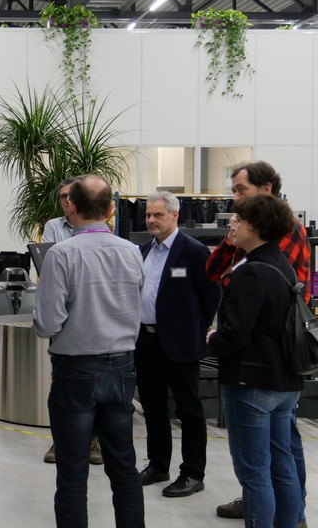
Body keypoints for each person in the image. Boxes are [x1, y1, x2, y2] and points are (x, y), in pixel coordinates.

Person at [34, 174, 145, 528]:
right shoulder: (132, 252)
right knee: (124, 466)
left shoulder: (61, 254)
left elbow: (47, 323)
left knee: (72, 470)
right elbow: (139, 306)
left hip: (76, 371)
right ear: (111, 209)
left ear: (72, 207)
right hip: (123, 368)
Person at [206, 161, 309, 526]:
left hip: (251, 381)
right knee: (281, 464)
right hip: (283, 380)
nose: (233, 224)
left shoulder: (250, 272)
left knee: (255, 472)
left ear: (256, 225)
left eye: (239, 219)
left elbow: (235, 333)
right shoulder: (281, 265)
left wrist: (214, 339)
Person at [136, 192, 220, 497]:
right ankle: (158, 465)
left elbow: (211, 295)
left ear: (175, 215)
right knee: (152, 407)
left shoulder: (193, 251)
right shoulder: (144, 250)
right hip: (145, 340)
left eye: (157, 215)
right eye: (148, 215)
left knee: (188, 409)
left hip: (180, 343)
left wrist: (195, 329)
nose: (151, 220)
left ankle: (193, 473)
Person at [40, 178, 102, 465]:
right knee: (62, 384)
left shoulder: (100, 229)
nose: (66, 201)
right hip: (64, 313)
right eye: (62, 196)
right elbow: (49, 262)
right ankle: (61, 441)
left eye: (70, 196)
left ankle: (93, 441)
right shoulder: (53, 226)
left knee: (96, 386)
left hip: (92, 312)